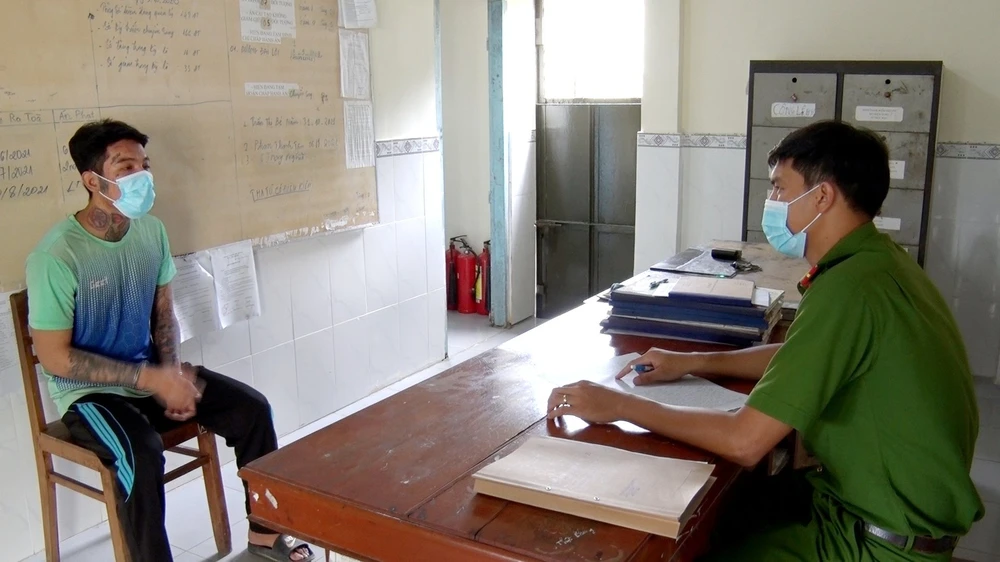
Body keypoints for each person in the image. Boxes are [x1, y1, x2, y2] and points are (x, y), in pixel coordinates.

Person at [547, 121, 983, 561]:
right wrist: (691, 361)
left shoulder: (849, 288)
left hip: (875, 543)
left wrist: (619, 405)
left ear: (822, 197)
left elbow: (745, 441)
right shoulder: (879, 262)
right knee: (733, 511)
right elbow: (801, 355)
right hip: (874, 509)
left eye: (779, 188)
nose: (771, 201)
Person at [26, 119, 314, 562]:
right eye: (126, 167)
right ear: (92, 180)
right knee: (142, 453)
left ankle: (265, 538)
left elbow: (163, 317)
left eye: (145, 166)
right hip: (89, 396)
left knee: (252, 410)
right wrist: (153, 380)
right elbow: (54, 358)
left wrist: (172, 373)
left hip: (150, 376)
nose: (141, 176)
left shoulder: (151, 232)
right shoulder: (56, 255)